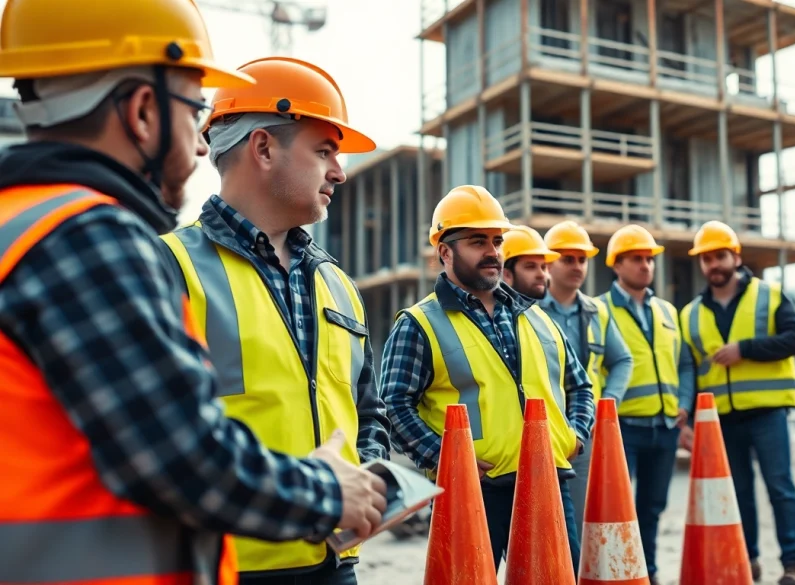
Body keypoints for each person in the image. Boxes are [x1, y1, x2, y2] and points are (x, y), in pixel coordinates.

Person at [0, 1, 388, 582]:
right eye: (192, 110)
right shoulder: (91, 237)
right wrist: (328, 493)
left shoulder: (22, 224)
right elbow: (181, 454)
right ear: (143, 111)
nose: (202, 145)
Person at [159, 56, 388, 585]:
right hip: (230, 567)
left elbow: (366, 410)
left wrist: (369, 480)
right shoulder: (169, 267)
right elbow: (167, 438)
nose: (340, 170)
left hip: (335, 563)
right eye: (324, 151)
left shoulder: (338, 284)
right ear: (263, 148)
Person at [381, 186, 595, 576]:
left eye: (497, 240)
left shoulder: (536, 317)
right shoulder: (419, 323)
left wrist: (576, 434)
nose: (493, 251)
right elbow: (394, 405)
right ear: (445, 252)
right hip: (471, 490)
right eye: (478, 241)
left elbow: (579, 386)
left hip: (549, 481)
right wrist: (446, 457)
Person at [678, 221, 795, 585]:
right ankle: (747, 559)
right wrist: (686, 418)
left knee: (780, 486)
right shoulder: (690, 314)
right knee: (739, 494)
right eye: (706, 259)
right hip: (722, 418)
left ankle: (793, 563)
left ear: (736, 257)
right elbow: (690, 369)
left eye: (720, 256)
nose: (714, 265)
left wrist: (745, 350)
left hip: (768, 410)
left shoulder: (770, 295)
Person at [536, 220, 633, 543]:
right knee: (540, 515)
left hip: (582, 430)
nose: (577, 266)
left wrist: (608, 405)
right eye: (568, 258)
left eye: (582, 259)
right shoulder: (531, 310)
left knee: (576, 516)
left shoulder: (598, 312)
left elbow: (622, 360)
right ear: (549, 262)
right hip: (541, 427)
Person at [598, 224, 683, 585]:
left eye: (649, 258)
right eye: (636, 259)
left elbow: (688, 363)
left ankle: (647, 573)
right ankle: (613, 573)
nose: (646, 265)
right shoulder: (599, 310)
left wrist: (686, 402)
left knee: (652, 508)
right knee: (616, 508)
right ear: (617, 265)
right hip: (623, 427)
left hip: (664, 427)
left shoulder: (667, 311)